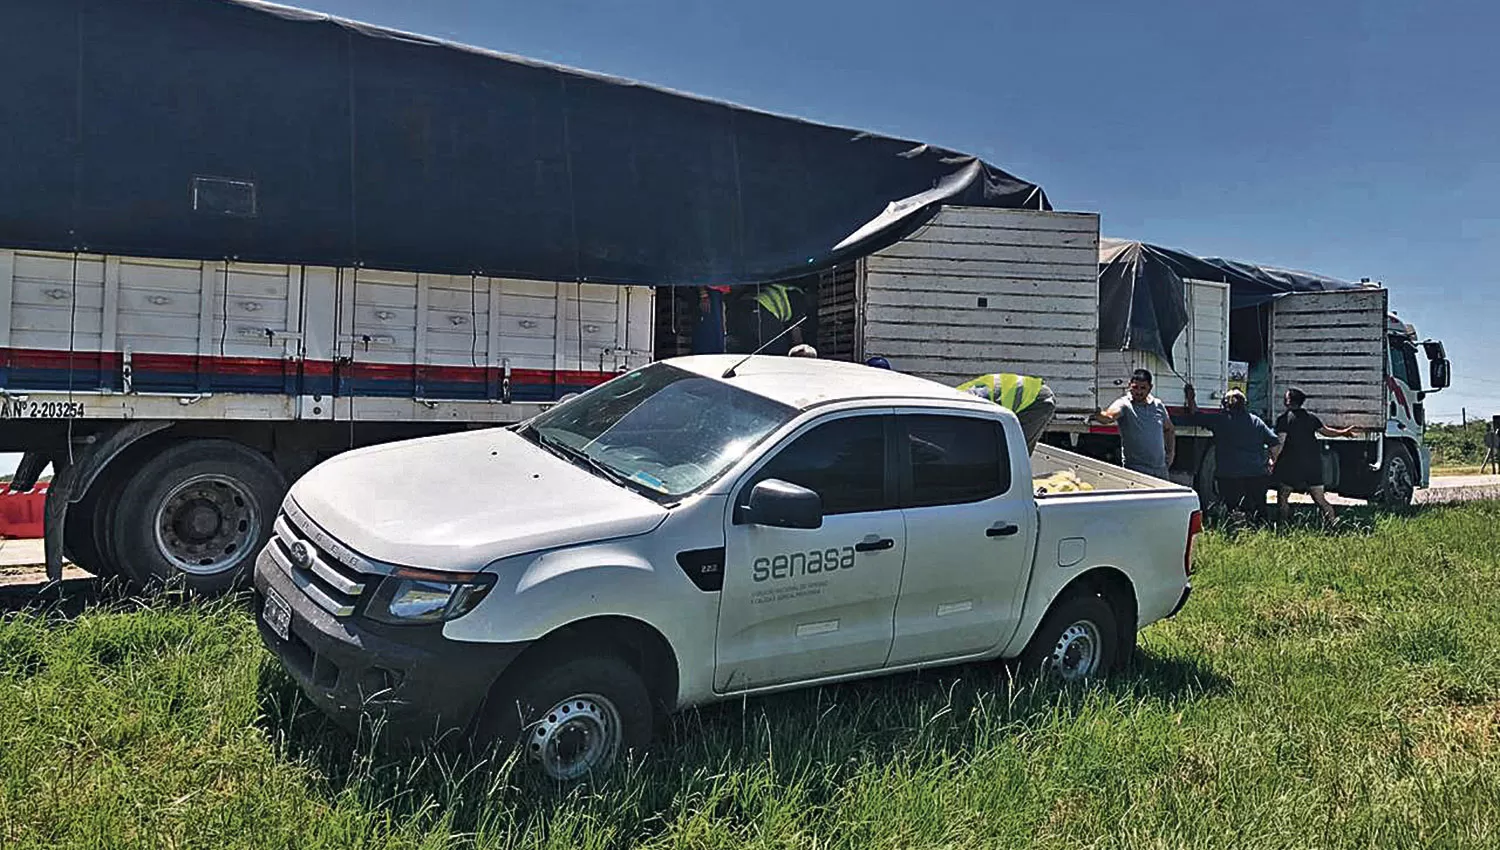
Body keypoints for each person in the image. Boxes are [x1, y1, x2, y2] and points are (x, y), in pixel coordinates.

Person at [1183, 384, 1279, 521]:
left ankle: (1236, 532)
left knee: (1233, 509)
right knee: (1258, 511)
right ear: (1245, 404)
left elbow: (1195, 415)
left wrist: (1190, 397)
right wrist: (1272, 461)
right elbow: (1274, 443)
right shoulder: (1256, 421)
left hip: (1229, 475)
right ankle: (1260, 532)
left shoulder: (1221, 420)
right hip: (1256, 474)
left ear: (1225, 404)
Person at [1271, 386, 1357, 524]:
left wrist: (1273, 460)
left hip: (1291, 464)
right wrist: (1343, 432)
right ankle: (1334, 522)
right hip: (1312, 463)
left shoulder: (1284, 419)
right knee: (1320, 499)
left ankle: (1283, 524)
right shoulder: (1311, 418)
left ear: (1288, 401)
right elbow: (1326, 431)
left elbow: (1280, 443)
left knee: (1282, 497)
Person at [1091, 368, 1174, 480]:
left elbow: (1169, 429)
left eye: (1143, 388)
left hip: (1160, 469)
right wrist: (1096, 413)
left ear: (1150, 388)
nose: (1139, 392)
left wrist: (1170, 453)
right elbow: (1108, 417)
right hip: (1136, 470)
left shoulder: (1158, 405)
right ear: (1130, 385)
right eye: (1135, 387)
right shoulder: (1124, 404)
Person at [956, 372, 1057, 454]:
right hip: (1025, 392)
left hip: (1036, 399)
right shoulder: (957, 396)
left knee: (1015, 452)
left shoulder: (968, 406)